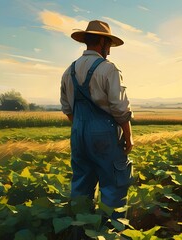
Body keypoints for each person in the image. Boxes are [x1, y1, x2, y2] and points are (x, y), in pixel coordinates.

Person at [60, 20, 134, 220]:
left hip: (77, 133)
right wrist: (128, 136)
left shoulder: (69, 71)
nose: (109, 50)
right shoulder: (108, 69)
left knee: (81, 187)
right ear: (102, 41)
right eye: (108, 44)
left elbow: (67, 108)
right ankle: (110, 232)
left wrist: (81, 129)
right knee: (113, 188)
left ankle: (80, 231)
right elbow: (120, 108)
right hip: (104, 135)